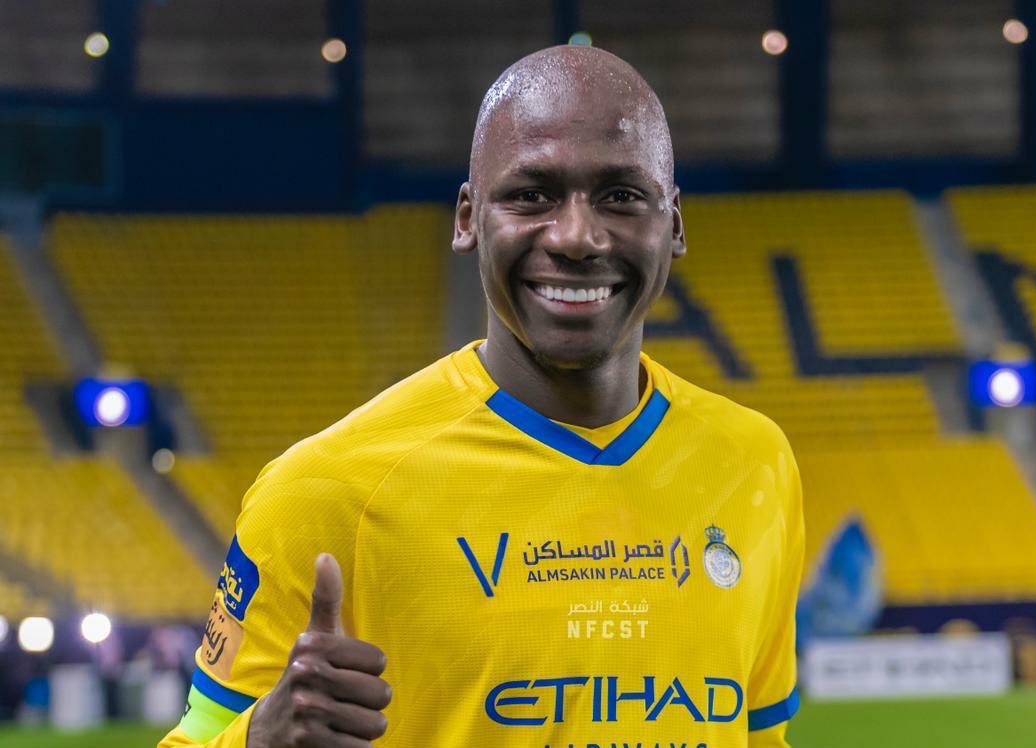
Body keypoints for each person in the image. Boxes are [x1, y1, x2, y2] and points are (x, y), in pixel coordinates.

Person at [159, 44, 804, 748]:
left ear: (673, 222)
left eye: (621, 195)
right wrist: (258, 739)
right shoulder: (325, 492)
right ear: (468, 218)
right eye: (532, 195)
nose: (577, 237)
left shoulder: (755, 463)